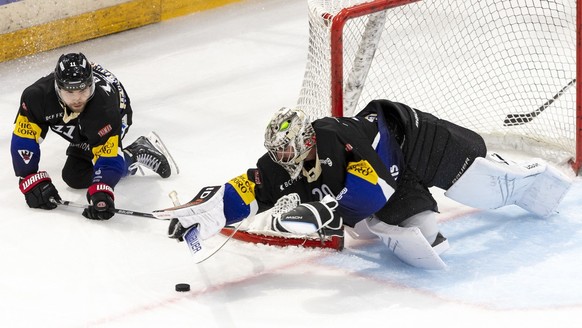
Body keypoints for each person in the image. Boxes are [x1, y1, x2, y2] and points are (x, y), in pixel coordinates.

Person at [154, 100, 572, 269]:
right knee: (429, 238)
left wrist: (323, 211)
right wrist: (214, 213)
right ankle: (410, 222)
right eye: (278, 152)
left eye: (286, 151)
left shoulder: (336, 139)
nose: (282, 160)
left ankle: (533, 178)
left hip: (417, 142)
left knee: (486, 187)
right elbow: (254, 186)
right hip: (395, 178)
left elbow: (377, 191)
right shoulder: (288, 159)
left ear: (305, 140)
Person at [11, 52, 175, 220]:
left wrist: (102, 190)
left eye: (83, 89)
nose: (77, 99)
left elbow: (107, 158)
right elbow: (24, 137)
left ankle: (135, 153)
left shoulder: (104, 109)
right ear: (57, 87)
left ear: (91, 84)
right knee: (74, 176)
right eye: (69, 91)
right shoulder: (36, 97)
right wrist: (29, 178)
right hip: (83, 121)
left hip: (117, 112)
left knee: (81, 174)